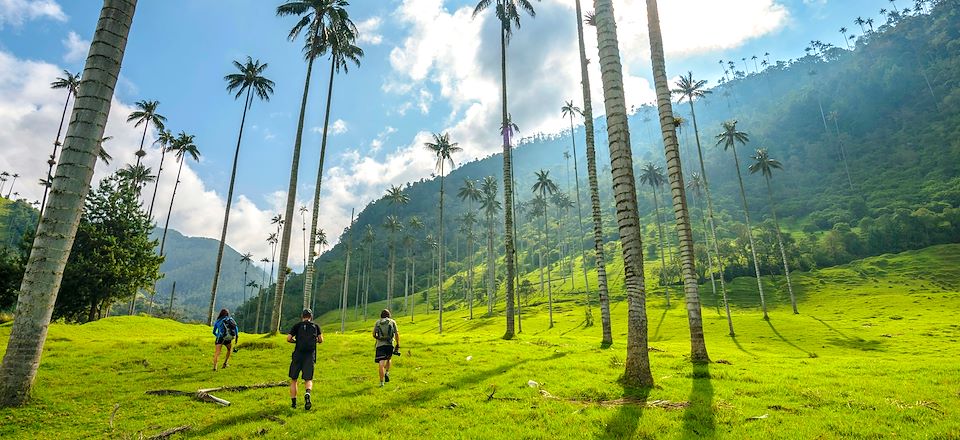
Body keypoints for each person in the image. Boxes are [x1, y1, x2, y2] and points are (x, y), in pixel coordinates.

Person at [287, 308, 322, 410]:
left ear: (302, 316)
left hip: (298, 355)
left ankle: (294, 404)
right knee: (308, 379)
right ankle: (307, 393)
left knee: (294, 380)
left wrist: (296, 342)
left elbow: (288, 338)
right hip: (309, 355)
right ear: (311, 316)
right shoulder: (316, 326)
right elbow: (320, 340)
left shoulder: (297, 326)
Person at [373, 309, 400, 387]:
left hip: (380, 345)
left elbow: (373, 334)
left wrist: (379, 338)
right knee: (388, 359)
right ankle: (387, 372)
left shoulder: (378, 322)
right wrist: (398, 344)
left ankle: (381, 383)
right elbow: (397, 333)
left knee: (381, 364)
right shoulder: (392, 322)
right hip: (389, 344)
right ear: (389, 315)